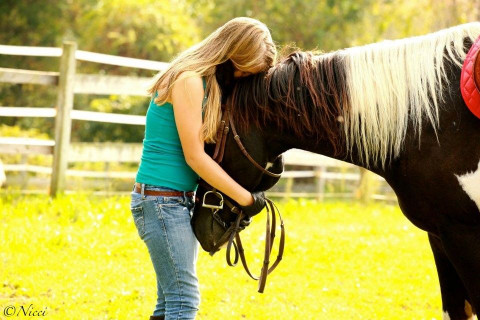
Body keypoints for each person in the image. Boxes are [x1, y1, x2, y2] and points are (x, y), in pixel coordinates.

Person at [130, 17, 277, 320]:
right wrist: (247, 199)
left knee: (169, 303)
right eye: (242, 71)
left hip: (174, 201)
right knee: (185, 302)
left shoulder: (206, 85)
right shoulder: (188, 81)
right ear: (230, 55)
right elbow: (195, 157)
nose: (239, 78)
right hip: (161, 203)